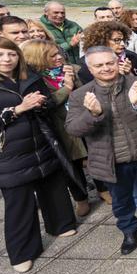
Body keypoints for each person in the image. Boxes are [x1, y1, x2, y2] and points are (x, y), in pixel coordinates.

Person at [0, 37, 77, 272]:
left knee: (53, 187)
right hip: (7, 151)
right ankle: (22, 251)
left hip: (41, 141)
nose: (7, 59)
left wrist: (41, 102)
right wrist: (18, 109)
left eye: (11, 54)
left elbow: (47, 103)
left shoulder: (28, 75)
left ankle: (61, 224)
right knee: (19, 202)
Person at [65, 46, 137, 255]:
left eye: (110, 63)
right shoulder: (81, 95)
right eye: (99, 65)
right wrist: (93, 114)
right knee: (121, 200)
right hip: (111, 159)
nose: (106, 68)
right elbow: (72, 128)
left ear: (117, 62)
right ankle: (129, 230)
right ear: (89, 68)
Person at [21, 39, 90, 217]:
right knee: (70, 165)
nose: (59, 57)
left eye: (59, 53)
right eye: (53, 56)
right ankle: (81, 198)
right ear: (38, 58)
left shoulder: (70, 69)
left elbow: (86, 93)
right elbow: (46, 105)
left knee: (93, 155)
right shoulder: (34, 79)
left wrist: (74, 81)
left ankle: (104, 189)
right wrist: (66, 88)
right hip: (60, 128)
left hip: (82, 119)